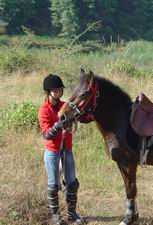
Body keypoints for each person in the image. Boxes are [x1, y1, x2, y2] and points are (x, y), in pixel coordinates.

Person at [38, 74, 83, 225]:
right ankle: (56, 216)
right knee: (53, 185)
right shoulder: (44, 110)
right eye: (55, 90)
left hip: (67, 150)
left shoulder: (65, 106)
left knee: (72, 182)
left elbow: (76, 114)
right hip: (52, 152)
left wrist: (76, 116)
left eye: (60, 90)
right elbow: (46, 135)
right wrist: (59, 124)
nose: (58, 93)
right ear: (48, 92)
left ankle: (71, 213)